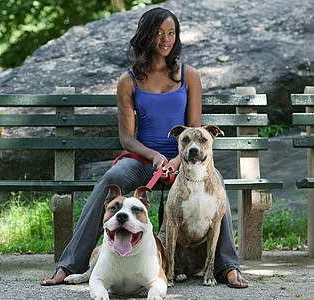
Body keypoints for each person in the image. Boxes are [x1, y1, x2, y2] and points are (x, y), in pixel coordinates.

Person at [41, 7, 248, 288]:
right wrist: (152, 156)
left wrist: (176, 160)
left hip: (183, 161)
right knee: (110, 180)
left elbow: (195, 133)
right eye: (159, 33)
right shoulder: (129, 80)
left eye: (171, 33)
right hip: (142, 160)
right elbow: (126, 137)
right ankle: (71, 265)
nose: (166, 39)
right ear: (146, 36)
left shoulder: (190, 76)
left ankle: (227, 266)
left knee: (216, 181)